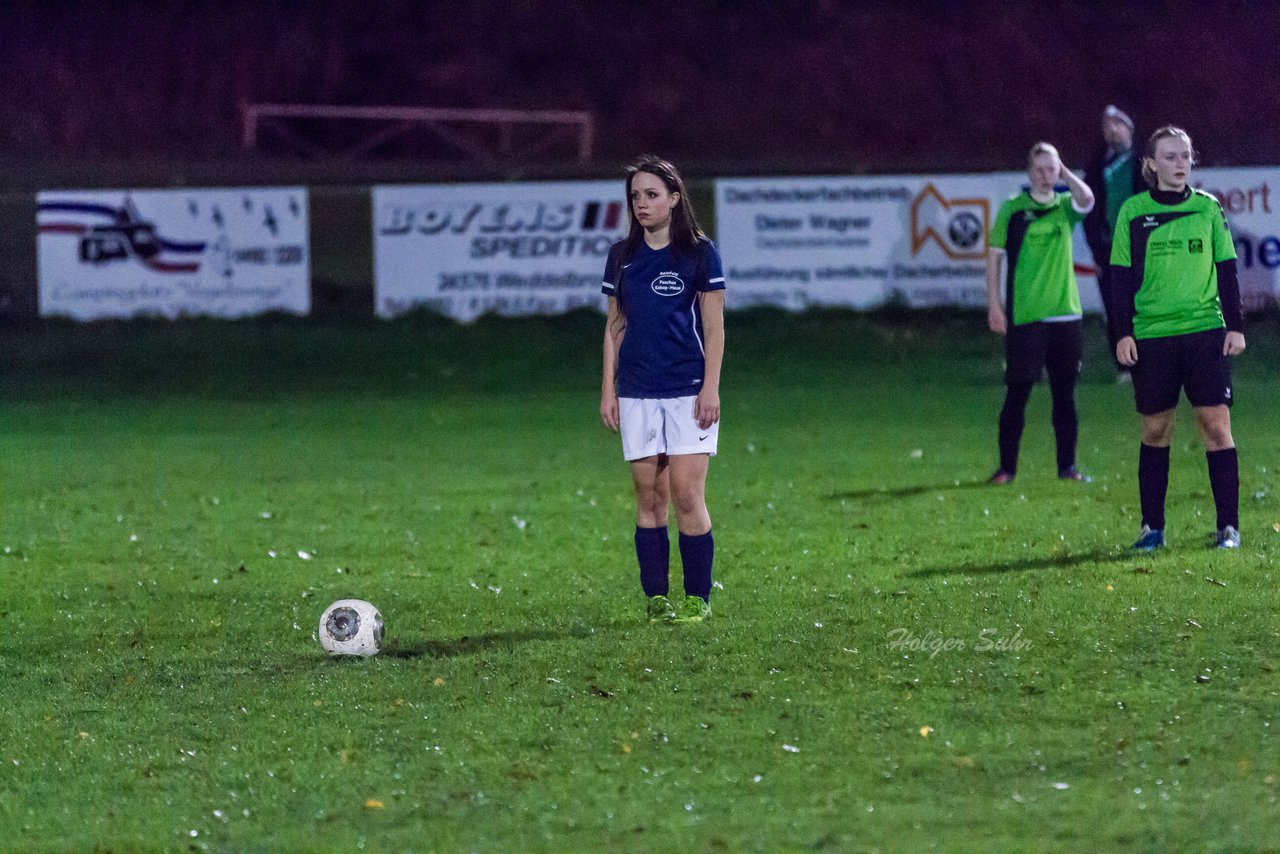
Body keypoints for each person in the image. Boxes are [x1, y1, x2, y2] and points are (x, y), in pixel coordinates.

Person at [600, 156, 725, 623]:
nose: (642, 204)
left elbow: (714, 326)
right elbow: (615, 325)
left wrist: (709, 388)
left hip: (687, 389)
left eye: (652, 195)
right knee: (649, 498)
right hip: (635, 390)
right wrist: (608, 389)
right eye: (635, 196)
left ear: (674, 198)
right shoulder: (622, 255)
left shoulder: (699, 252)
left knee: (688, 496)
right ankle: (656, 598)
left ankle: (698, 599)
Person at [1110, 126, 1245, 551]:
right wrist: (1122, 333)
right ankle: (1152, 529)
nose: (1180, 164)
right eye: (1169, 157)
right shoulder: (1133, 212)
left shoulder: (1208, 209)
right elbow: (1118, 280)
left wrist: (1235, 326)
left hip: (1205, 332)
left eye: (1185, 155)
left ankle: (1229, 528)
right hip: (1152, 336)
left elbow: (1226, 269)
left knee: (1216, 427)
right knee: (1155, 430)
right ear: (1150, 164)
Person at [986, 142, 1096, 484]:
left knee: (1065, 396)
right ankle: (1007, 468)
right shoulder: (1013, 210)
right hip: (1027, 316)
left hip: (1066, 316)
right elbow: (994, 259)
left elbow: (1088, 200)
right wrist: (995, 304)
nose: (1046, 176)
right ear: (1028, 172)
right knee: (1018, 393)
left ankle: (1068, 467)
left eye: (1052, 169)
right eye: (1040, 170)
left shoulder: (1065, 206)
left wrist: (1067, 174)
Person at [1084, 105, 1146, 377]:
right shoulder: (1097, 166)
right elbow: (1089, 212)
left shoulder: (1144, 163)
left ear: (1129, 129)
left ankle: (1150, 360)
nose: (1112, 130)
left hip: (1140, 248)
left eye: (1117, 124)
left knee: (1142, 305)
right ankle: (1124, 365)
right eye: (1107, 125)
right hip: (1108, 248)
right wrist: (1096, 249)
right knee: (1114, 307)